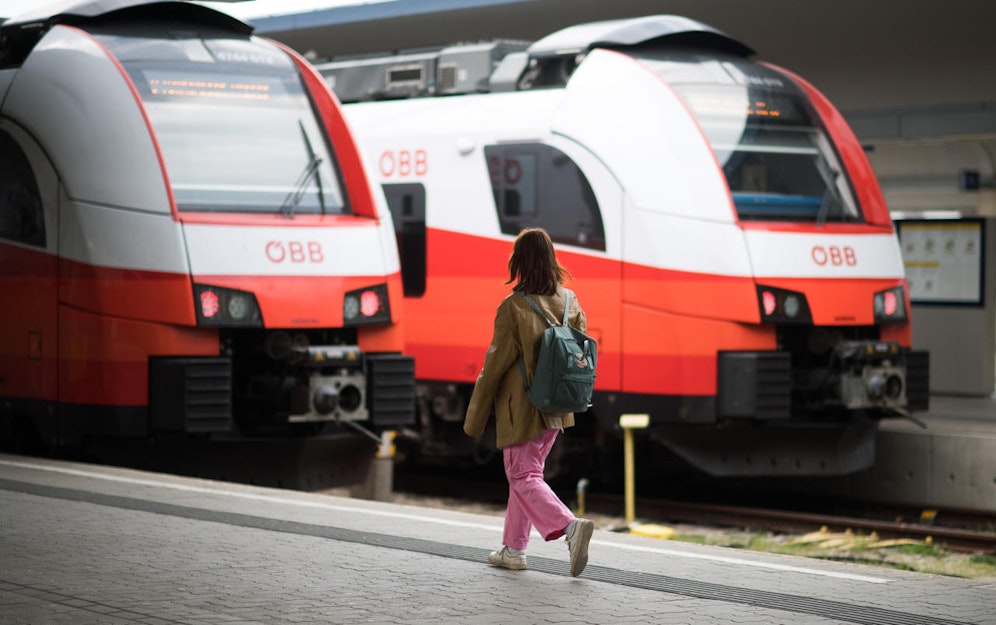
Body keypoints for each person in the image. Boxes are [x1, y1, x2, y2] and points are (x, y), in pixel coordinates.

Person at [464, 227, 594, 577]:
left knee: (521, 474)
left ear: (518, 262)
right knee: (526, 475)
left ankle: (569, 527)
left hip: (522, 408)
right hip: (558, 404)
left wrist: (474, 417)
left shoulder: (513, 307)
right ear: (552, 259)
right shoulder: (570, 301)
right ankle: (514, 549)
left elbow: (494, 366)